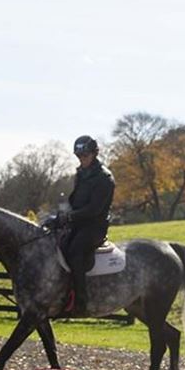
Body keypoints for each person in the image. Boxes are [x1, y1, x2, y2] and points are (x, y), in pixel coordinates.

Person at [56, 135, 114, 315]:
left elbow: (94, 209)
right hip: (77, 224)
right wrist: (60, 215)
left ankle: (81, 300)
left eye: (85, 156)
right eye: (79, 156)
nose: (82, 160)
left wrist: (70, 216)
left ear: (94, 154)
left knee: (75, 251)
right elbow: (76, 201)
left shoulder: (104, 178)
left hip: (94, 227)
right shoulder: (81, 174)